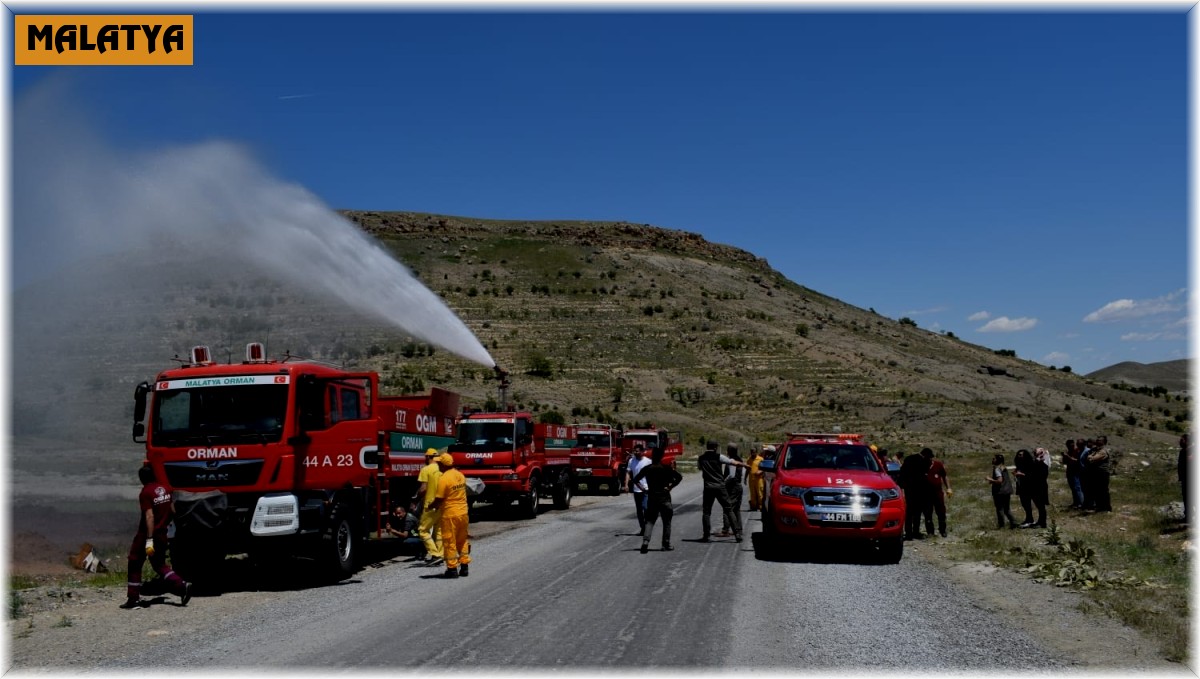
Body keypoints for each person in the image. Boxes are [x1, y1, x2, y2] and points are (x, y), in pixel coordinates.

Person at [122, 464, 191, 609]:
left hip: (146, 535)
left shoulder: (145, 493)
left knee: (135, 561)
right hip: (162, 533)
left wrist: (149, 540)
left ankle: (133, 599)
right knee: (159, 564)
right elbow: (172, 510)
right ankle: (182, 585)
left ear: (142, 479)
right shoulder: (165, 489)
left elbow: (149, 516)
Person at [632, 447, 684, 553]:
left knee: (650, 521)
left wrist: (643, 489)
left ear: (652, 456)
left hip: (652, 498)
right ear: (662, 456)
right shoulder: (666, 468)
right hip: (665, 498)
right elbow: (679, 477)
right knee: (667, 522)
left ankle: (645, 541)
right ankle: (666, 544)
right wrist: (670, 487)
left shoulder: (647, 468)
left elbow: (636, 479)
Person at [697, 441, 749, 543]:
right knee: (729, 509)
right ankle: (737, 534)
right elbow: (733, 462)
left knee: (706, 512)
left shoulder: (701, 458)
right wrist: (745, 465)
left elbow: (699, 468)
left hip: (708, 487)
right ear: (715, 447)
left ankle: (706, 535)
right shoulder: (719, 456)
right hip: (720, 486)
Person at [429, 454, 471, 578]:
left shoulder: (444, 479)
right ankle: (464, 567)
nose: (437, 465)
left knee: (449, 542)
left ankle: (452, 569)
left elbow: (439, 499)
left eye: (439, 463)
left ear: (443, 465)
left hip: (450, 515)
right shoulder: (460, 475)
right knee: (462, 540)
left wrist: (430, 506)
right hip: (463, 513)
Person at [412, 447, 444, 566]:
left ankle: (435, 554)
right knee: (438, 530)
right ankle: (441, 554)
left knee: (423, 530)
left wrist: (415, 499)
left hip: (430, 504)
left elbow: (423, 489)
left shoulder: (426, 469)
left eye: (425, 456)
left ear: (428, 457)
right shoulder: (441, 469)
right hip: (441, 503)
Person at [898, 451, 930, 539]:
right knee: (917, 511)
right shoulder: (924, 461)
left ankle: (908, 533)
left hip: (909, 488)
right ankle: (916, 532)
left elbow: (902, 473)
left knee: (909, 511)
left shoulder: (908, 459)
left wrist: (901, 486)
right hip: (920, 489)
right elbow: (925, 474)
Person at [921, 448, 951, 537]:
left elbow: (944, 476)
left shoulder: (938, 465)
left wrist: (949, 488)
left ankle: (942, 530)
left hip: (937, 493)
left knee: (941, 512)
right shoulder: (921, 466)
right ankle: (930, 532)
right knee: (928, 514)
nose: (927, 459)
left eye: (928, 457)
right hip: (926, 494)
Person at [986, 454, 1018, 528]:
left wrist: (990, 479)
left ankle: (1001, 525)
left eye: (994, 459)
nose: (992, 460)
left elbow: (1000, 480)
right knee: (1007, 509)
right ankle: (1013, 523)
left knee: (1000, 508)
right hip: (1007, 490)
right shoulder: (1003, 467)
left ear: (997, 460)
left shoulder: (997, 469)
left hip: (999, 491)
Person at [719, 445, 744, 536]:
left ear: (730, 451)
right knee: (736, 509)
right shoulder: (739, 460)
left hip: (733, 487)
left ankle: (726, 530)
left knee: (727, 508)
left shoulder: (733, 460)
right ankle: (739, 529)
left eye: (728, 450)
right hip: (737, 487)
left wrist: (723, 483)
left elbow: (731, 476)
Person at [625, 444, 651, 535]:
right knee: (639, 510)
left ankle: (647, 526)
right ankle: (643, 528)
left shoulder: (648, 461)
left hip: (646, 488)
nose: (635, 452)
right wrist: (626, 485)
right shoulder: (631, 461)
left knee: (645, 507)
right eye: (634, 451)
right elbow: (628, 472)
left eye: (637, 451)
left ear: (642, 452)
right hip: (636, 489)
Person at [1087, 436, 1113, 512]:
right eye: (1097, 440)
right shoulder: (1095, 450)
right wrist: (1090, 457)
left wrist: (1091, 457)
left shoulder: (1103, 451)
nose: (1097, 441)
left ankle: (1106, 508)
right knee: (1096, 490)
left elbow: (1093, 458)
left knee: (1103, 491)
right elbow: (1088, 457)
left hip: (1102, 473)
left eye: (1100, 440)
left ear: (1104, 442)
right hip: (1096, 472)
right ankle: (1099, 507)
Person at [1062, 439, 1085, 509]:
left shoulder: (1077, 451)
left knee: (1077, 488)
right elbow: (1064, 462)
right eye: (1069, 446)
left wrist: (1068, 457)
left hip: (1076, 471)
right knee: (1073, 488)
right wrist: (1064, 457)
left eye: (1071, 445)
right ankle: (1075, 502)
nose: (1070, 447)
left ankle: (1080, 503)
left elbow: (1077, 461)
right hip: (1069, 471)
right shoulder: (1068, 452)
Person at [746, 446, 766, 512]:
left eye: (754, 452)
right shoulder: (749, 460)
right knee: (752, 494)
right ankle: (753, 506)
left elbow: (764, 468)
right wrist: (745, 478)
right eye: (751, 452)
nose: (752, 453)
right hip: (751, 479)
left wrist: (760, 471)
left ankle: (761, 506)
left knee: (760, 493)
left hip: (759, 479)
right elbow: (747, 469)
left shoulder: (761, 459)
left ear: (756, 452)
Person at [1178, 434, 1191, 522]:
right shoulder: (1182, 451)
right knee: (1186, 497)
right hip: (1184, 478)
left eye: (1183, 439)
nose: (1180, 441)